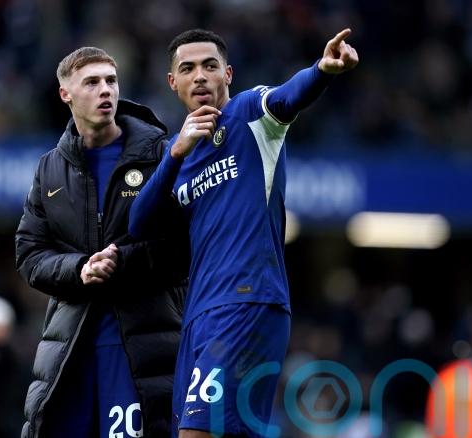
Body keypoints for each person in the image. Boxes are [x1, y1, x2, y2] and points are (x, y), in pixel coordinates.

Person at [129, 29, 358, 437]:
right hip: (198, 315)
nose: (200, 76)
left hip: (246, 301)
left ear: (228, 74)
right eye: (188, 69)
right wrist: (175, 154)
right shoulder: (178, 152)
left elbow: (288, 96)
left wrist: (322, 71)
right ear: (173, 82)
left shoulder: (251, 113)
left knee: (197, 433)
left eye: (210, 66)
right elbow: (139, 224)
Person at [15, 47, 189, 438]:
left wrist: (121, 262)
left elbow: (183, 246)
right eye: (92, 82)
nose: (105, 90)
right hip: (70, 349)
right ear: (66, 94)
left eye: (111, 80)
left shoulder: (159, 156)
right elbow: (29, 254)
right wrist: (80, 269)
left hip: (141, 344)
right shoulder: (50, 168)